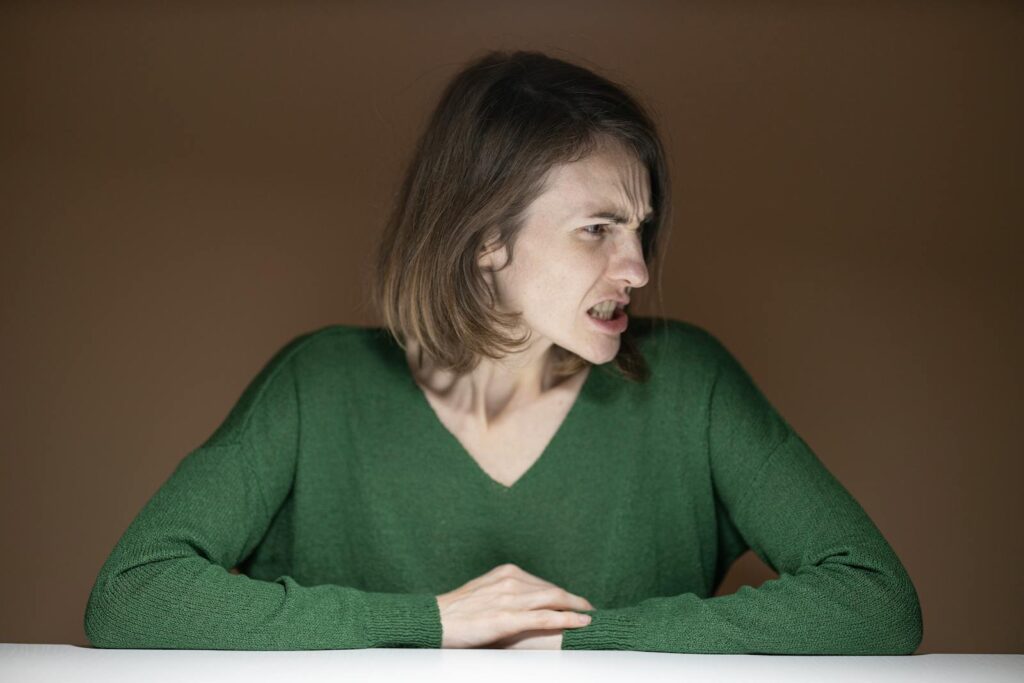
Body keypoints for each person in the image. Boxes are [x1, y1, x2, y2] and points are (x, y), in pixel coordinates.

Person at [83, 49, 923, 654]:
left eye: (641, 230)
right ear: (487, 238)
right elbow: (131, 596)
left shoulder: (691, 381)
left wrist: (592, 638)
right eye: (598, 229)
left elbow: (876, 601)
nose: (636, 269)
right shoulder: (318, 386)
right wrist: (431, 623)